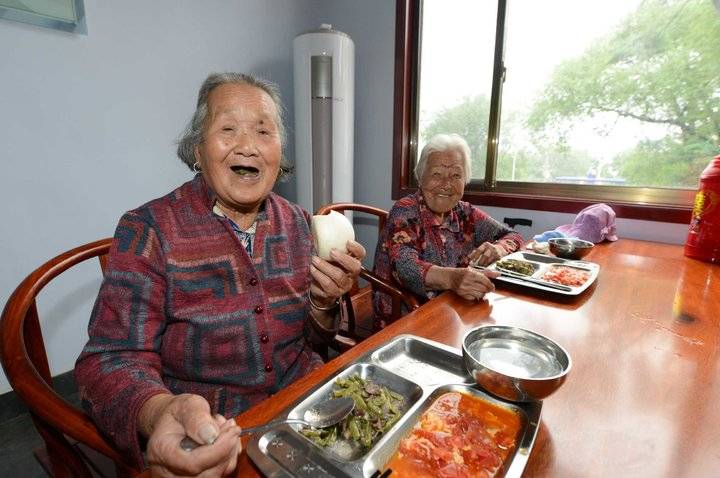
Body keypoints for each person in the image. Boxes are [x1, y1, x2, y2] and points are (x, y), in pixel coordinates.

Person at [74, 72, 366, 477]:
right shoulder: (149, 230)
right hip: (212, 436)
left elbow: (315, 340)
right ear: (198, 148)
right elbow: (107, 361)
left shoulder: (300, 223)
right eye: (228, 129)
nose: (247, 145)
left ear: (279, 153)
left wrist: (322, 303)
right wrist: (161, 412)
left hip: (305, 409)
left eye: (264, 131)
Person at [373, 133, 523, 329]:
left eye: (456, 175)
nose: (446, 184)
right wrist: (453, 279)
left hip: (452, 308)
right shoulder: (405, 210)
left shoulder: (465, 212)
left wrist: (500, 249)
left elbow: (514, 235)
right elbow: (406, 268)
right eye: (436, 174)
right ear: (421, 176)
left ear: (465, 181)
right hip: (404, 315)